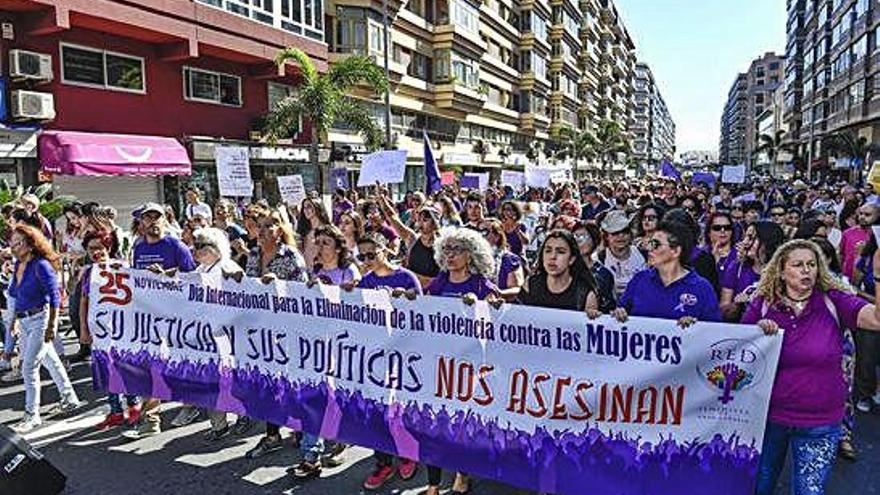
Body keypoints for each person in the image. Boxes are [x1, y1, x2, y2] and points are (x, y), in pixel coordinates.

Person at [745, 239, 880, 495]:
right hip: (769, 417)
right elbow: (740, 349)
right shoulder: (763, 304)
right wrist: (757, 331)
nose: (807, 270)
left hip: (820, 421)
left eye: (811, 264)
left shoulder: (835, 301)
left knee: (810, 491)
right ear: (781, 272)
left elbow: (876, 319)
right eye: (798, 265)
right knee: (760, 485)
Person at [423, 227, 500, 495]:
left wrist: (481, 306)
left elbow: (498, 322)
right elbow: (424, 311)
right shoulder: (440, 282)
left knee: (461, 425)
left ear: (471, 255)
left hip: (469, 368)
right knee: (434, 425)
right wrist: (410, 300)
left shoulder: (481, 286)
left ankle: (462, 474)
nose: (450, 255)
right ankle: (433, 484)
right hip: (439, 364)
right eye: (447, 249)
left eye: (457, 249)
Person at [125, 202, 196, 439]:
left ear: (164, 219)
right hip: (150, 316)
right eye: (148, 218)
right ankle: (151, 420)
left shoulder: (176, 246)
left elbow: (193, 280)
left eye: (157, 217)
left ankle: (190, 405)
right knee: (150, 365)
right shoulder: (138, 247)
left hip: (177, 315)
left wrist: (166, 276)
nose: (153, 221)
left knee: (179, 363)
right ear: (141, 223)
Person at [356, 233, 420, 489]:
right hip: (375, 355)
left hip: (404, 353)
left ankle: (407, 453)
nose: (368, 260)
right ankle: (383, 462)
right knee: (376, 410)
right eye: (363, 256)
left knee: (400, 408)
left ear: (386, 249)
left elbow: (423, 314)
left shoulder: (405, 277)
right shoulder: (366, 281)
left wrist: (407, 298)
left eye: (372, 254)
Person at [244, 210, 309, 459]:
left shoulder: (291, 255)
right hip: (260, 329)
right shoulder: (252, 254)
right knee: (267, 382)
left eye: (269, 226)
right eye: (259, 226)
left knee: (290, 381)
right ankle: (272, 434)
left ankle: (300, 429)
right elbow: (249, 288)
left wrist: (278, 286)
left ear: (280, 230)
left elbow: (303, 292)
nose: (262, 231)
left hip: (287, 328)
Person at [10, 225, 80, 432]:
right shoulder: (18, 265)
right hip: (25, 321)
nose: (13, 247)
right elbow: (16, 294)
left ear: (30, 245)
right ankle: (69, 397)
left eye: (18, 243)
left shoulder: (41, 266)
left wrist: (51, 326)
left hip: (41, 319)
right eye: (11, 242)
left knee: (29, 367)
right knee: (51, 361)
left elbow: (55, 298)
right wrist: (14, 320)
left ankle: (32, 415)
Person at [186, 227, 248, 442]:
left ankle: (243, 416)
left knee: (230, 377)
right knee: (210, 378)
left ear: (216, 248)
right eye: (195, 246)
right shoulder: (202, 269)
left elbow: (243, 298)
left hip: (227, 333)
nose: (196, 250)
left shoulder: (227, 267)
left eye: (201, 246)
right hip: (207, 333)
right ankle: (219, 424)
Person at [80, 230, 141, 430]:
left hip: (124, 329)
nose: (95, 252)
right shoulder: (89, 272)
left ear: (108, 248)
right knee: (108, 369)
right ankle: (115, 411)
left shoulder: (122, 267)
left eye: (99, 248)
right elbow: (84, 302)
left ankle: (134, 407)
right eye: (91, 249)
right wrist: (84, 329)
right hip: (100, 330)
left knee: (125, 367)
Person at [613, 220, 721, 325]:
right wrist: (618, 313)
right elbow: (621, 311)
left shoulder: (702, 288)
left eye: (655, 244)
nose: (649, 249)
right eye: (650, 243)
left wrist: (696, 327)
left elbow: (714, 331)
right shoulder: (640, 279)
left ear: (675, 251)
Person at [518, 229, 600, 314]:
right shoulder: (530, 284)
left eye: (561, 252)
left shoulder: (585, 294)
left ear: (571, 259)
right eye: (548, 251)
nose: (552, 257)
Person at [720, 222, 784, 321]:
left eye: (751, 238)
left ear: (767, 241)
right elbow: (724, 313)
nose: (745, 242)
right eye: (744, 237)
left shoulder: (783, 271)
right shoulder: (736, 268)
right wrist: (736, 305)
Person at [594, 210, 646, 298]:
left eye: (625, 231)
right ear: (606, 236)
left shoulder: (643, 255)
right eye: (615, 233)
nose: (621, 236)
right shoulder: (598, 259)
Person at [572, 222, 616, 313]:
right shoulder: (562, 268)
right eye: (575, 236)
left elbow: (608, 307)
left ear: (595, 241)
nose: (578, 241)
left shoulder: (603, 274)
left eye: (583, 237)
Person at [478, 218, 524, 300]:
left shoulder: (510, 259)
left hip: (501, 305)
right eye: (479, 231)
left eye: (485, 232)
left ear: (497, 236)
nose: (481, 235)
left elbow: (516, 288)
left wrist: (498, 293)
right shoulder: (472, 258)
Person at [840, 201, 877, 281]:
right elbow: (841, 255)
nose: (862, 217)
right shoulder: (847, 233)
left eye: (867, 215)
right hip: (848, 279)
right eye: (860, 214)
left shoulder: (878, 235)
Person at [297, 196, 331, 271]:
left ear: (318, 207)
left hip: (323, 272)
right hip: (306, 271)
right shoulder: (304, 232)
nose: (306, 210)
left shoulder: (328, 231)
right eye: (304, 207)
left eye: (309, 206)